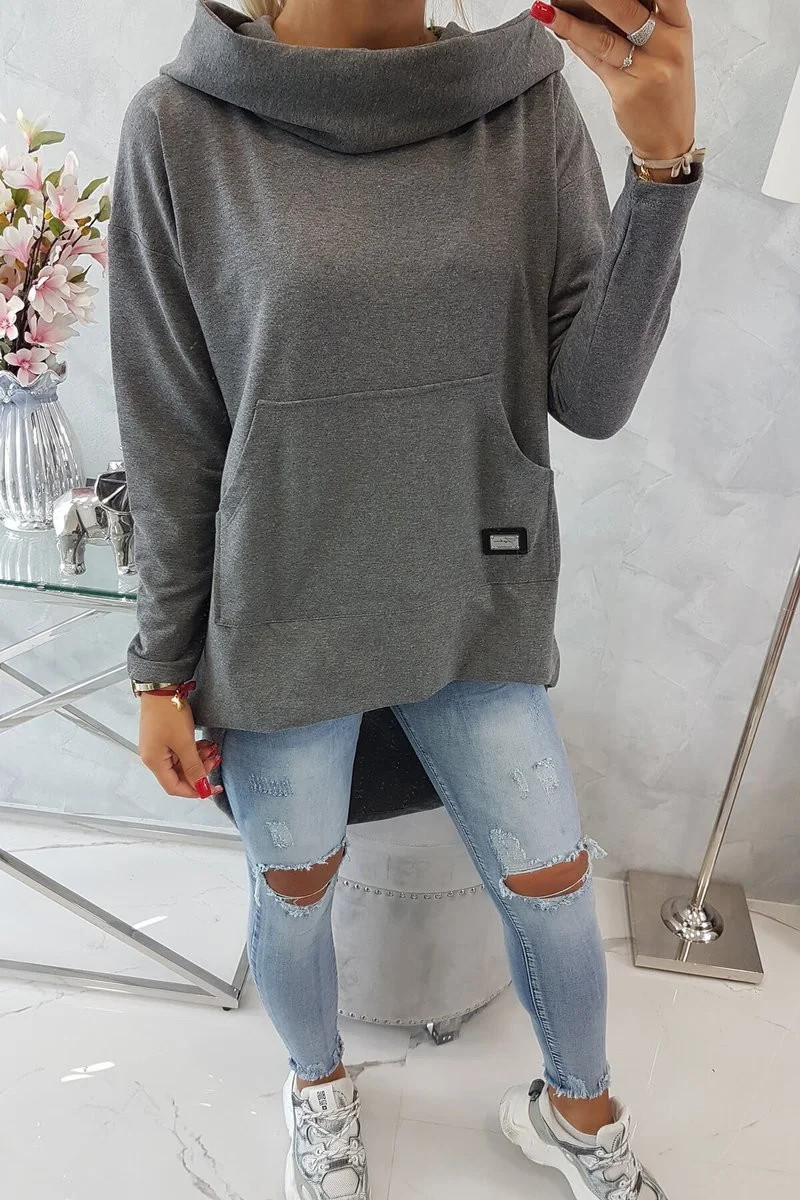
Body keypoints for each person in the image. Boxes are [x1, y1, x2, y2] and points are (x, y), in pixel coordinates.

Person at [108, 1, 703, 1197]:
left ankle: (575, 1113)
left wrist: (660, 169)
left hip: (469, 596)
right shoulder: (180, 127)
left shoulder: (521, 105)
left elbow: (589, 399)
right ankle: (316, 1088)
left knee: (551, 886)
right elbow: (171, 430)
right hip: (279, 612)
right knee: (293, 895)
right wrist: (160, 665)